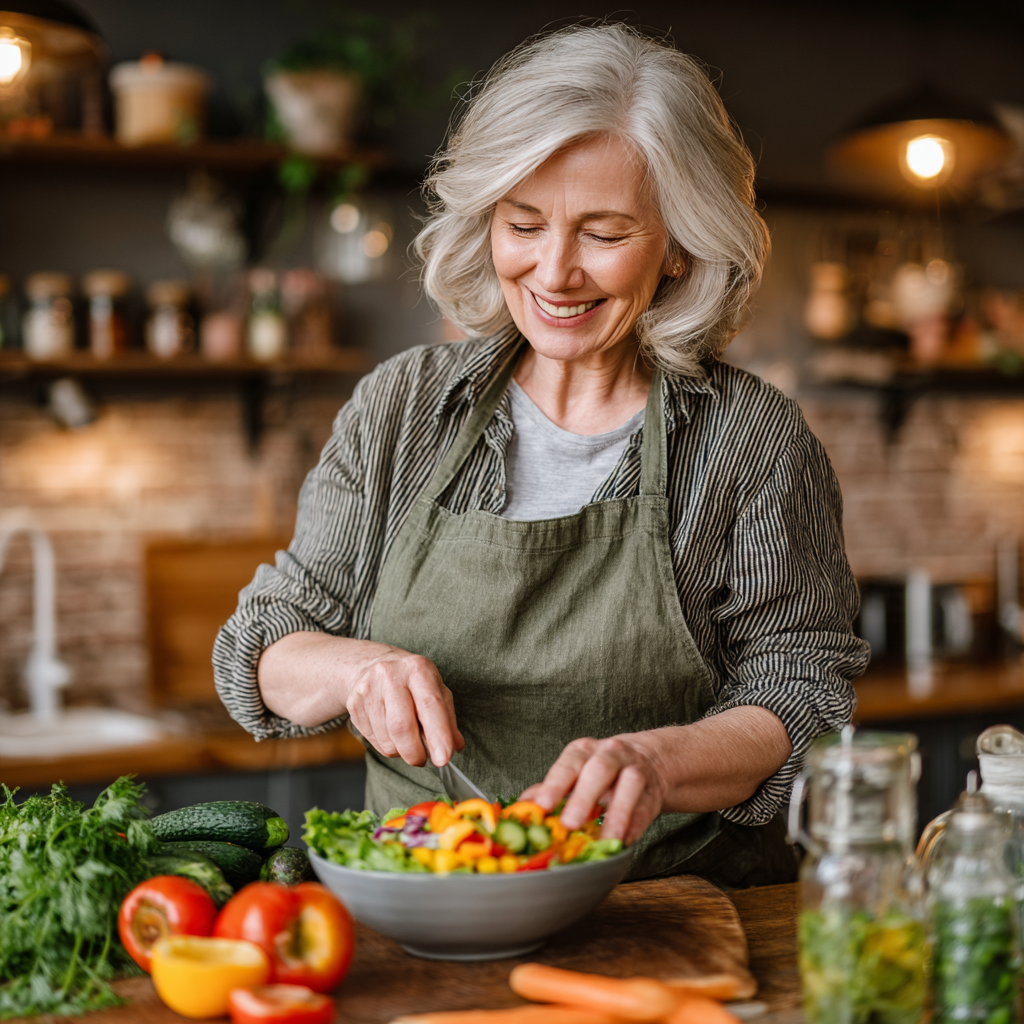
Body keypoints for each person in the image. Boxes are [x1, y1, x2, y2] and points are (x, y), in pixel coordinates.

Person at [214, 23, 868, 886]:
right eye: (524, 223)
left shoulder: (750, 441)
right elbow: (263, 646)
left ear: (677, 248)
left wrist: (662, 765)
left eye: (603, 234)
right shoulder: (404, 406)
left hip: (668, 910)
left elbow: (803, 690)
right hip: (423, 907)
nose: (554, 273)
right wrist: (356, 667)